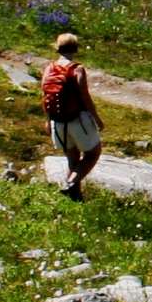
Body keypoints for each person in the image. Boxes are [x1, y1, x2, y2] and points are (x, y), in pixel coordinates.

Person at [40, 33, 104, 198]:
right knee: (92, 153)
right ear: (75, 48)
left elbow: (44, 95)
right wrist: (96, 118)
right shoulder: (77, 69)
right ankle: (71, 182)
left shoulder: (49, 68)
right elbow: (85, 96)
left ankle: (74, 195)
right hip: (77, 119)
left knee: (72, 157)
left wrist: (48, 121)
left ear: (58, 48)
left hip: (57, 121)